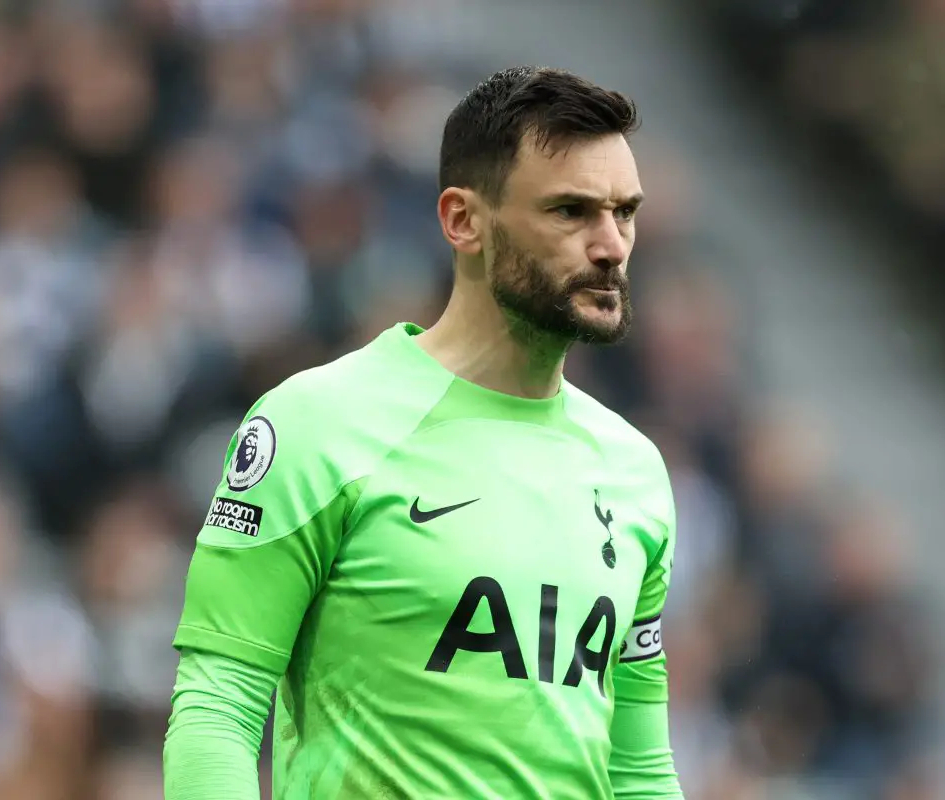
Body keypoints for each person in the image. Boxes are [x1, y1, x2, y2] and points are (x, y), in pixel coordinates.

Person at [162, 66, 684, 799]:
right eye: (571, 212)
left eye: (623, 213)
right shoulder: (318, 424)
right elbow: (218, 709)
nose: (611, 246)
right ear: (463, 220)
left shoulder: (635, 470)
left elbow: (638, 768)